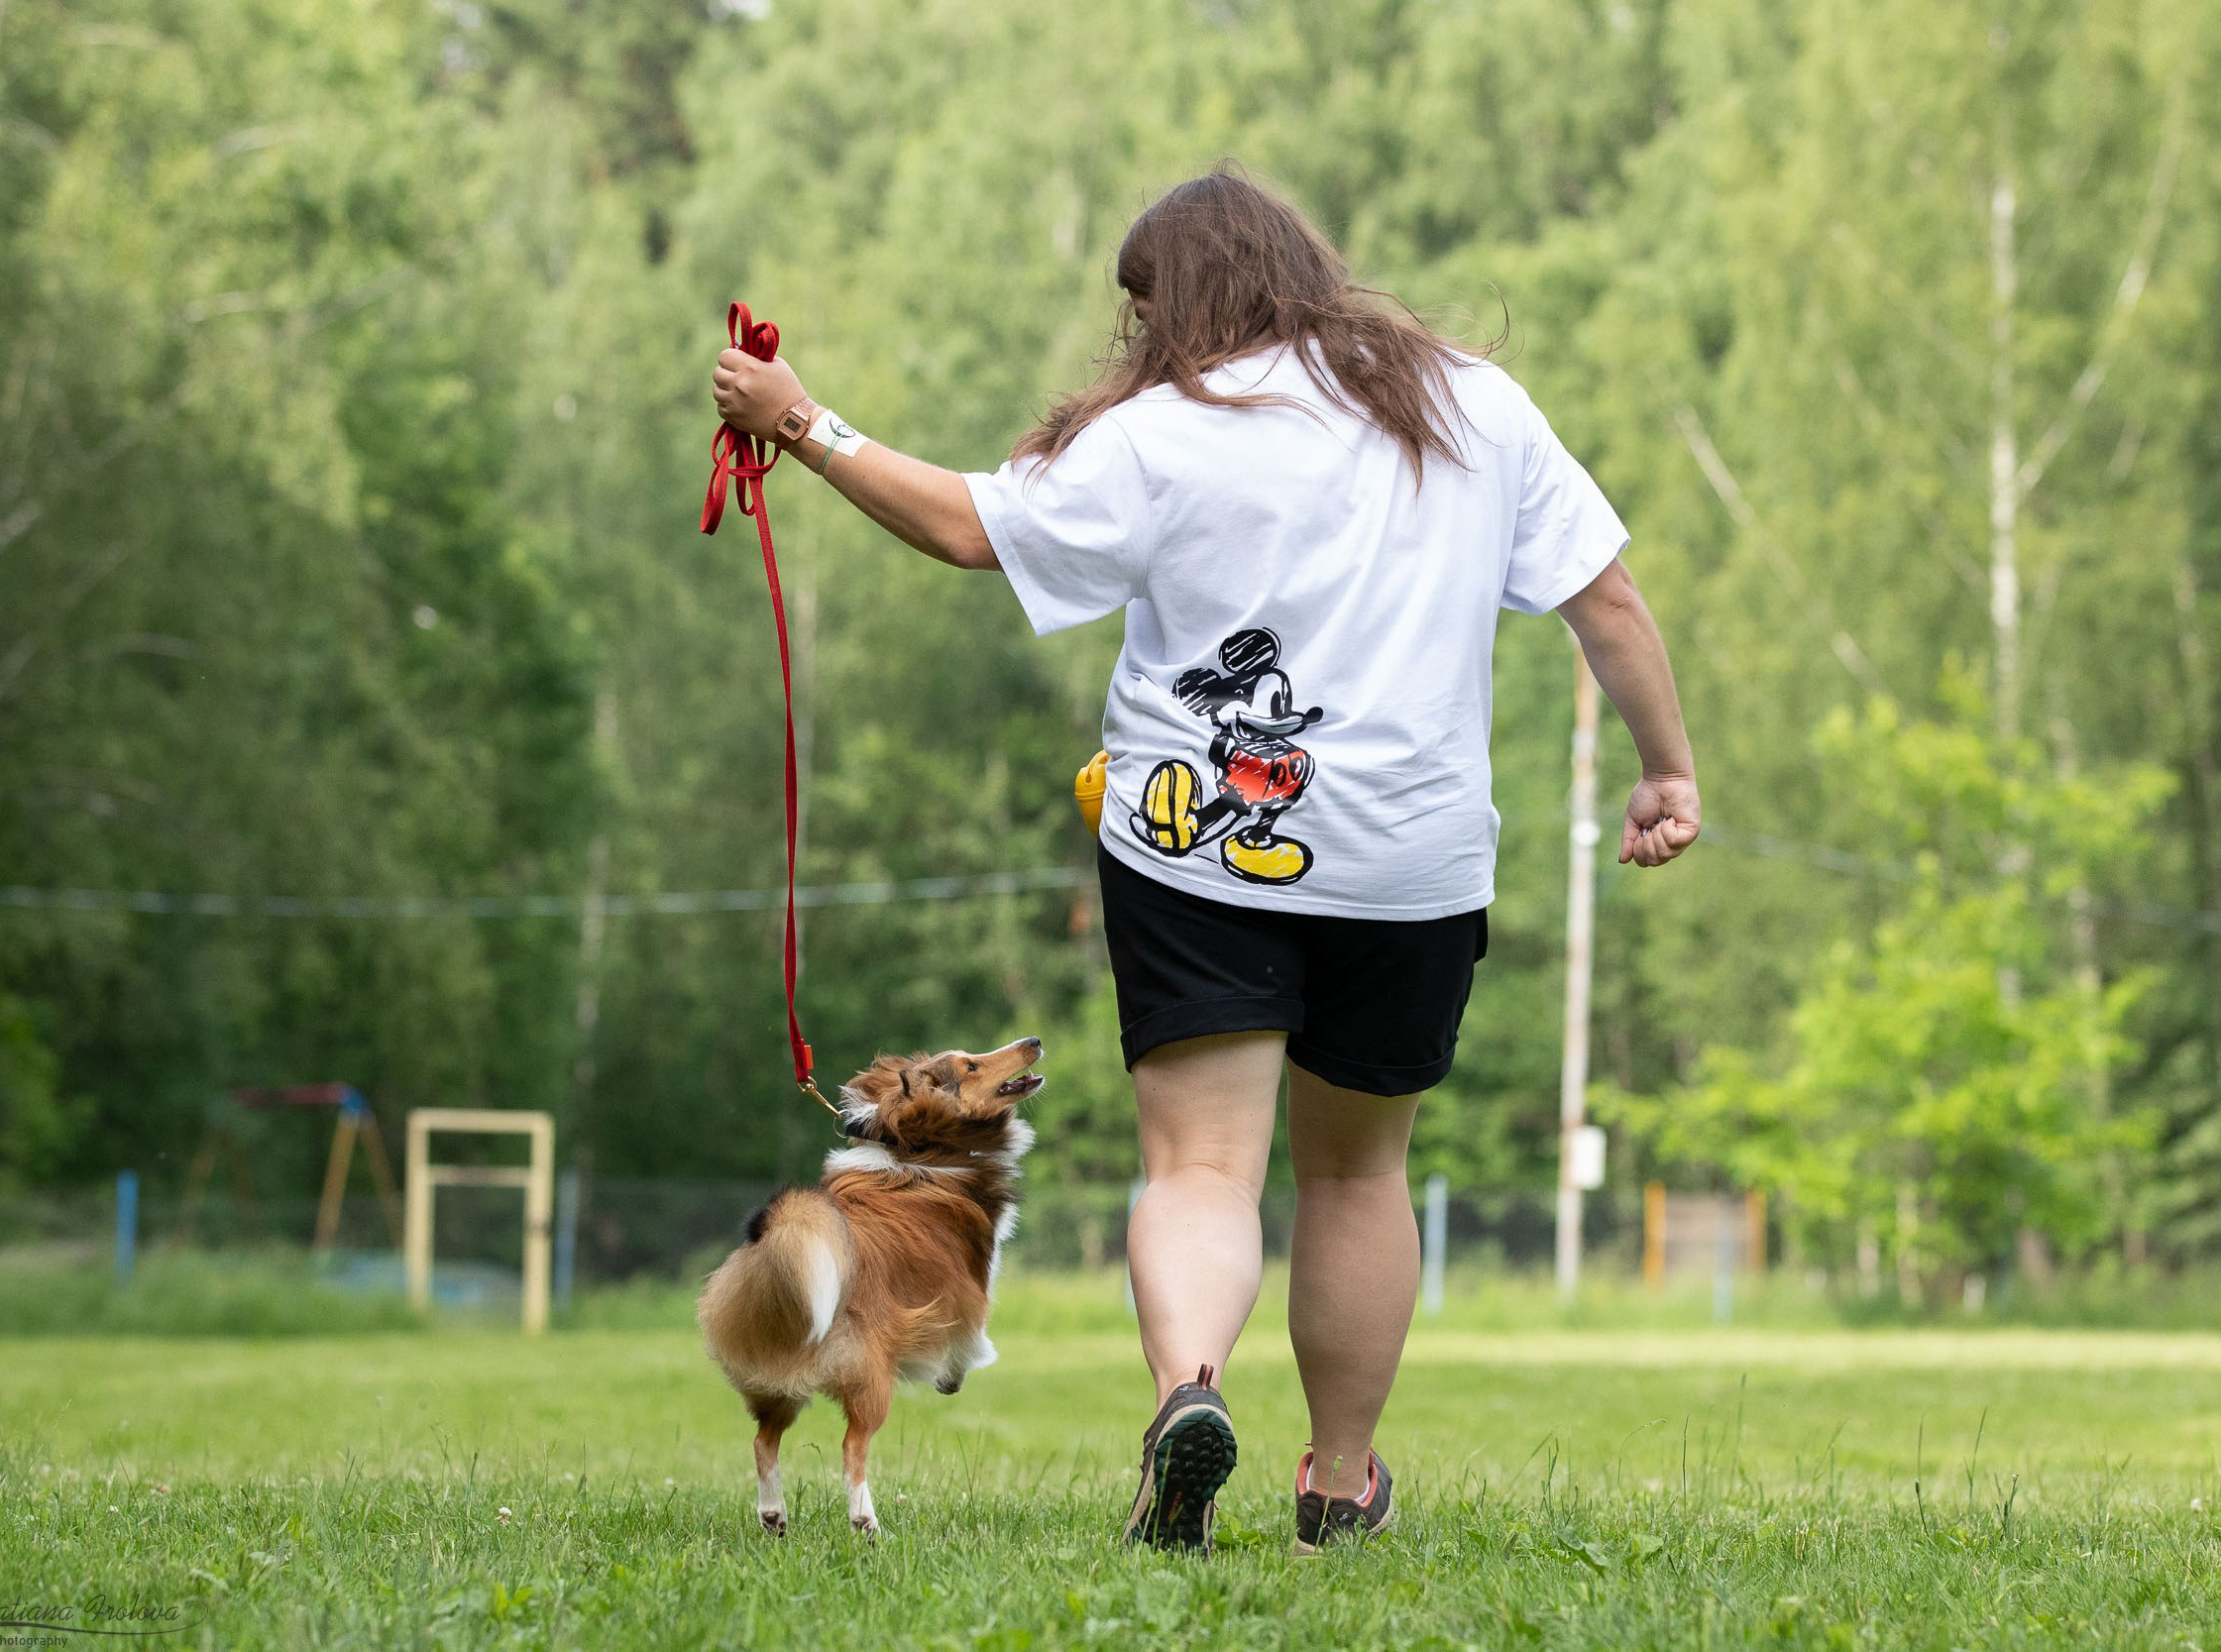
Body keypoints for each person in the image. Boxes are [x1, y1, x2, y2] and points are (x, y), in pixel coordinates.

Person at [711, 166, 1700, 1556]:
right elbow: (1606, 592)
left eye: (1142, 308)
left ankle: (1190, 1395)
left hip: (1198, 851)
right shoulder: (1476, 403)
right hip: (1410, 859)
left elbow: (963, 525)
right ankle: (1340, 1481)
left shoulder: (1166, 430)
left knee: (1202, 1169)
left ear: (1184, 297)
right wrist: (1668, 767)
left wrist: (799, 420)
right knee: (1357, 1178)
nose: (1135, 341)